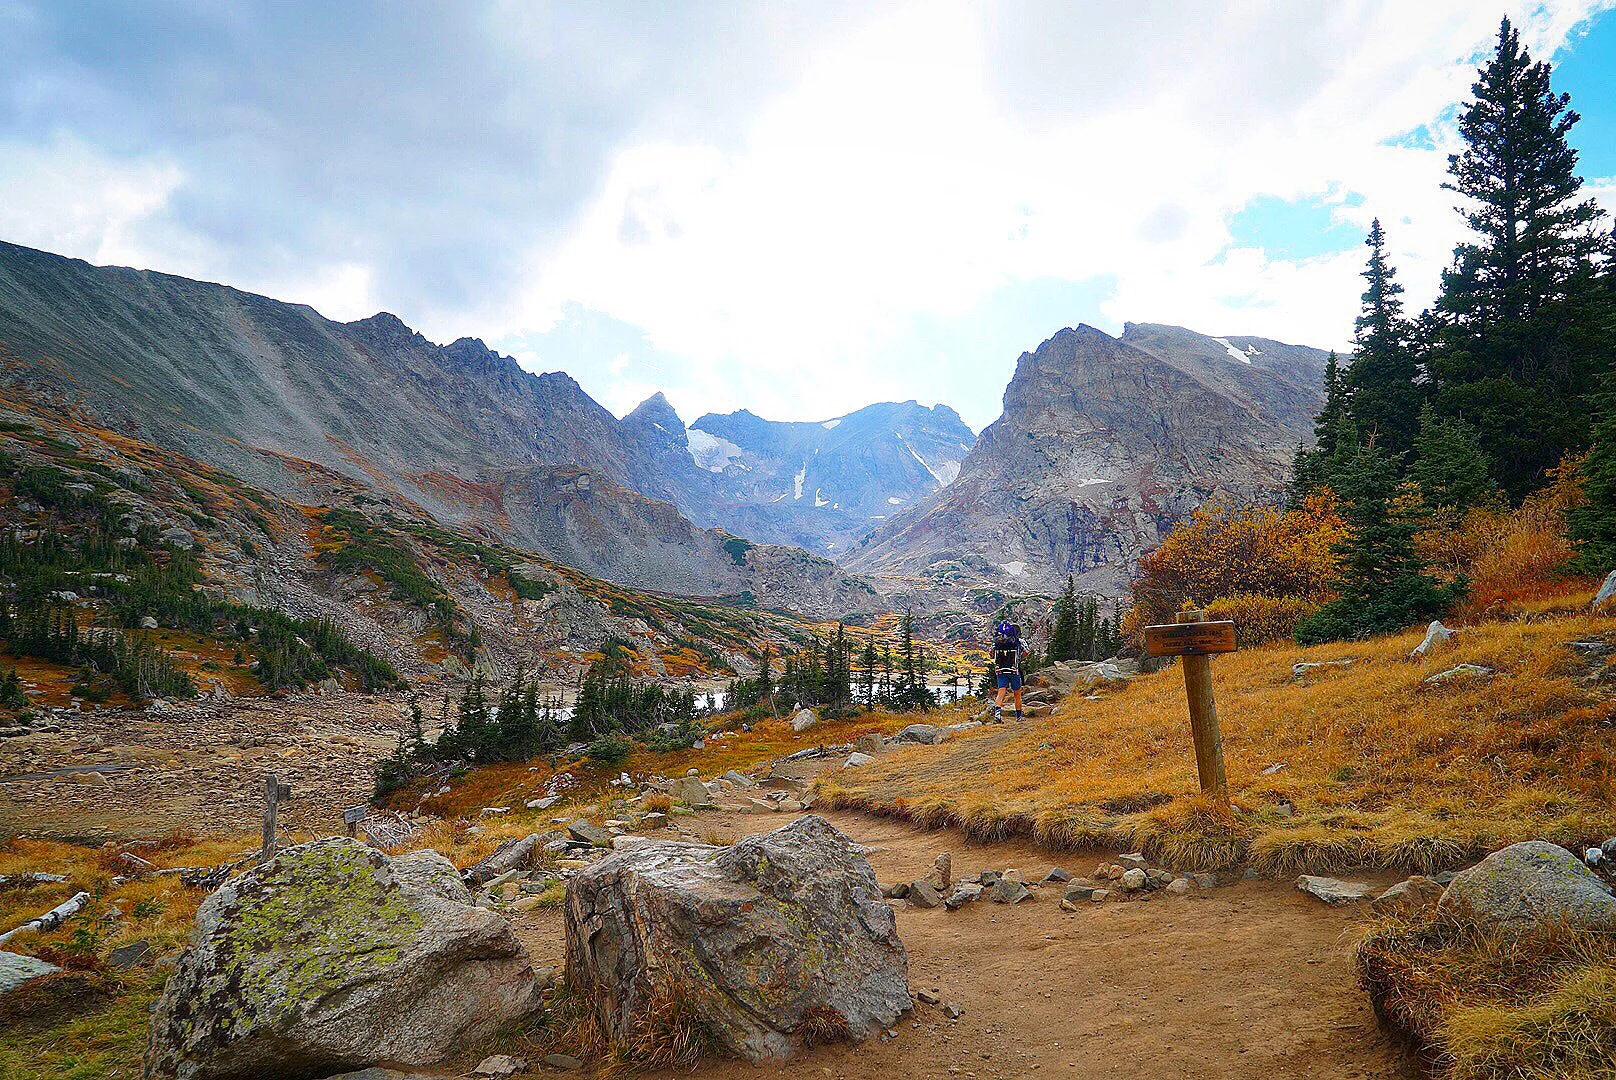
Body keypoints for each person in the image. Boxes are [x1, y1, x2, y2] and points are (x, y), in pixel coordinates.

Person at [991, 620, 1025, 722]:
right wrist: (1019, 659)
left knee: (1001, 691)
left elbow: (991, 652)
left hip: (1000, 669)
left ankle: (997, 715)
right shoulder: (1019, 641)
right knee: (1017, 693)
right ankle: (1019, 717)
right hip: (1013, 669)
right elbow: (1027, 652)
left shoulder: (998, 641)